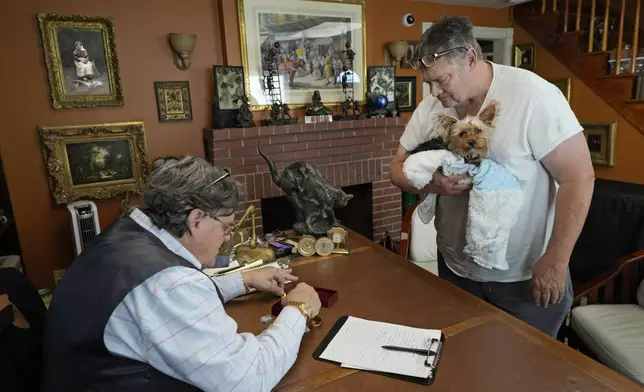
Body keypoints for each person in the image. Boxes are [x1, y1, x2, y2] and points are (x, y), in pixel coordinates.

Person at [389, 15, 595, 338]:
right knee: (465, 368)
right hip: (456, 272)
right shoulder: (431, 107)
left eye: (441, 80)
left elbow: (579, 178)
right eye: (428, 81)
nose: (433, 92)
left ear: (471, 58)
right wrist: (436, 185)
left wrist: (556, 260)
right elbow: (395, 168)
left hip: (524, 280)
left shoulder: (534, 97)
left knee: (528, 376)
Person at [42, 156, 322, 391]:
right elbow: (249, 378)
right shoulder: (169, 284)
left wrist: (241, 281)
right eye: (227, 227)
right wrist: (299, 307)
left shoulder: (129, 231)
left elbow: (150, 300)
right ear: (196, 219)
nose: (227, 239)